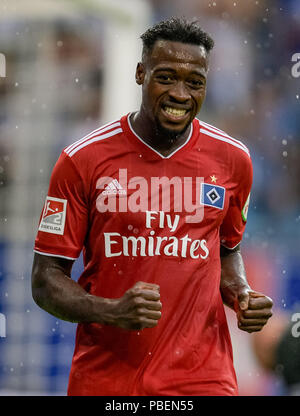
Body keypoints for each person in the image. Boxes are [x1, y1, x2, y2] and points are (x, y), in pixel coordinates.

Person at [31, 17, 273, 396]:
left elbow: (228, 249)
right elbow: (45, 280)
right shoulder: (82, 160)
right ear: (140, 73)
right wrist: (111, 311)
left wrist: (242, 294)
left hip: (201, 379)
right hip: (108, 380)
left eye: (194, 82)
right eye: (166, 77)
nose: (180, 94)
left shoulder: (233, 159)